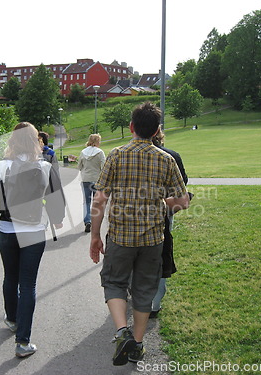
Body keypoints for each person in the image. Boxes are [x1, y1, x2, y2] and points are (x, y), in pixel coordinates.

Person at [90, 102, 190, 366]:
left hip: (121, 237)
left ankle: (122, 332)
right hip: (153, 239)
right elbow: (183, 201)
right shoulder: (166, 159)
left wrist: (95, 236)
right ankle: (137, 343)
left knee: (114, 282)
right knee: (145, 289)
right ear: (157, 130)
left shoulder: (116, 154)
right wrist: (161, 203)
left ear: (132, 127)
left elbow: (100, 199)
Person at [0, 122, 65, 358]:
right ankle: (23, 341)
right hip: (33, 232)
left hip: (8, 231)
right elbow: (56, 198)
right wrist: (57, 218)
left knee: (10, 278)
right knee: (28, 284)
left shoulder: (2, 166)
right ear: (36, 141)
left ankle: (12, 319)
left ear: (12, 141)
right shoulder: (45, 165)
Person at [149, 129, 189, 318]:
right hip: (164, 210)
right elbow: (183, 184)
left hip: (133, 213)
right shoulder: (171, 156)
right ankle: (154, 304)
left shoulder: (124, 154)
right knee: (161, 250)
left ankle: (138, 292)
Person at [78, 134, 106, 233]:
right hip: (97, 179)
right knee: (97, 203)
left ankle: (87, 220)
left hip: (86, 179)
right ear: (98, 141)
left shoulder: (83, 152)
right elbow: (103, 167)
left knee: (87, 202)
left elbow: (79, 166)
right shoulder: (100, 152)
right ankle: (96, 223)